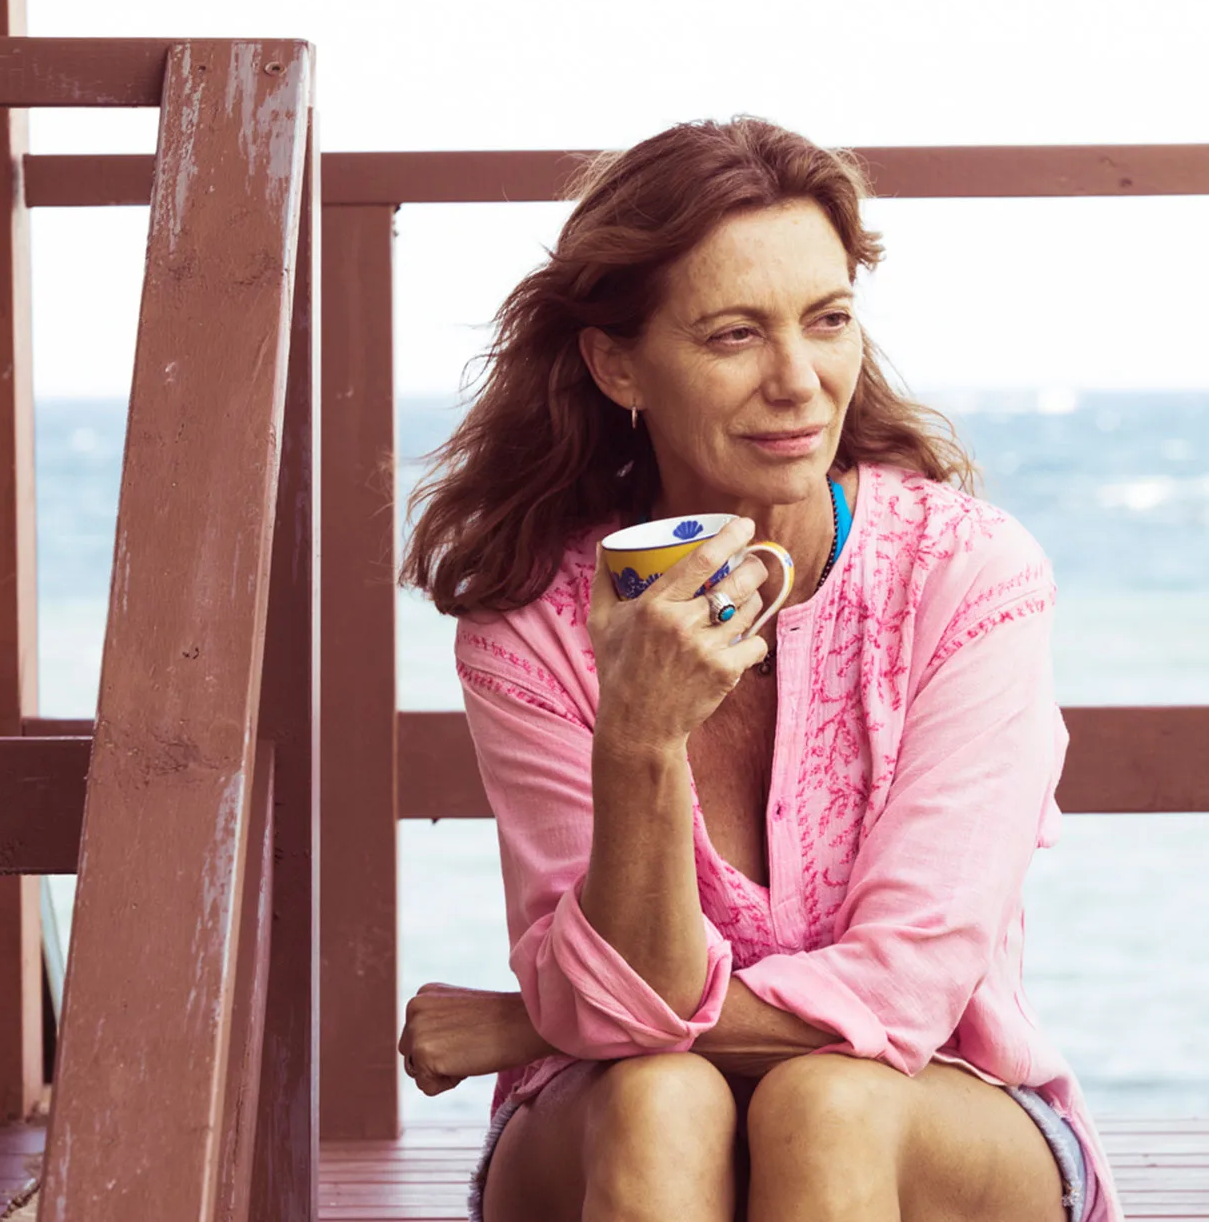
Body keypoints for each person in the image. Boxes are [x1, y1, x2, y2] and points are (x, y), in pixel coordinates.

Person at [396, 117, 1123, 1222]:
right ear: (618, 364)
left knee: (825, 1107)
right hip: (612, 1130)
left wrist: (531, 1019)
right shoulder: (532, 619)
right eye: (734, 336)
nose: (800, 382)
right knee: (659, 1102)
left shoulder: (967, 574)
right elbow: (614, 1026)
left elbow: (905, 990)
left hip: (943, 1116)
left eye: (827, 321)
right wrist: (636, 737)